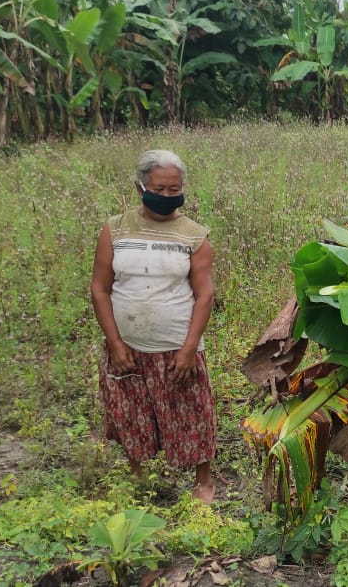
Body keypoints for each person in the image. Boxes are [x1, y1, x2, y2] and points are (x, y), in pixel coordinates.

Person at [89, 149, 217, 504]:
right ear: (140, 186)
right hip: (128, 345)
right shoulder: (115, 230)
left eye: (173, 190)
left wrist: (190, 347)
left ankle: (203, 482)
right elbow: (100, 289)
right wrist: (114, 343)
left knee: (192, 413)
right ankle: (139, 479)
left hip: (176, 343)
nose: (166, 197)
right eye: (158, 189)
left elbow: (204, 296)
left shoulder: (194, 236)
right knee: (131, 413)